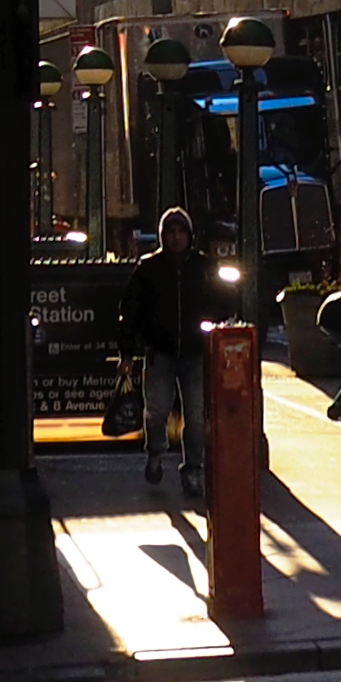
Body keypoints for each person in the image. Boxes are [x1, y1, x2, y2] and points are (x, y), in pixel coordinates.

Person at [119, 207, 209, 497]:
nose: (176, 237)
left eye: (181, 232)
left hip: (195, 352)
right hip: (160, 351)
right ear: (163, 236)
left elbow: (222, 300)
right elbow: (129, 313)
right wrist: (127, 354)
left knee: (196, 416)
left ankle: (193, 469)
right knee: (156, 412)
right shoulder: (148, 269)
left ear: (189, 235)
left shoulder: (202, 267)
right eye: (171, 232)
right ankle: (156, 453)